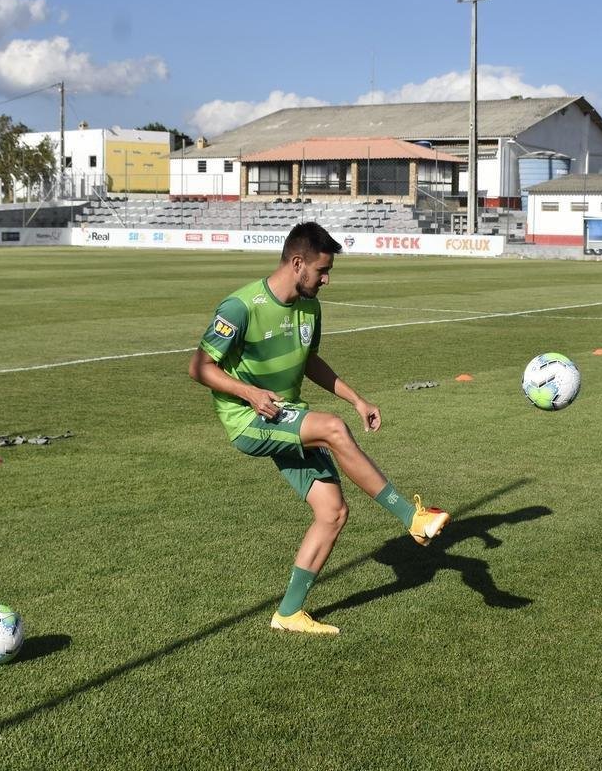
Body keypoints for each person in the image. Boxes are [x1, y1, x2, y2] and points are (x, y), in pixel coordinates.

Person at [188, 221, 451, 635]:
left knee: (332, 512)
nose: (326, 279)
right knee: (331, 428)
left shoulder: (310, 305)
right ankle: (412, 517)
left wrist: (357, 398)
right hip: (250, 418)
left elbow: (309, 360)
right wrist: (249, 393)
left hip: (285, 415)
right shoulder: (240, 307)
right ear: (297, 263)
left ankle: (289, 613)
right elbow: (199, 368)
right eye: (322, 271)